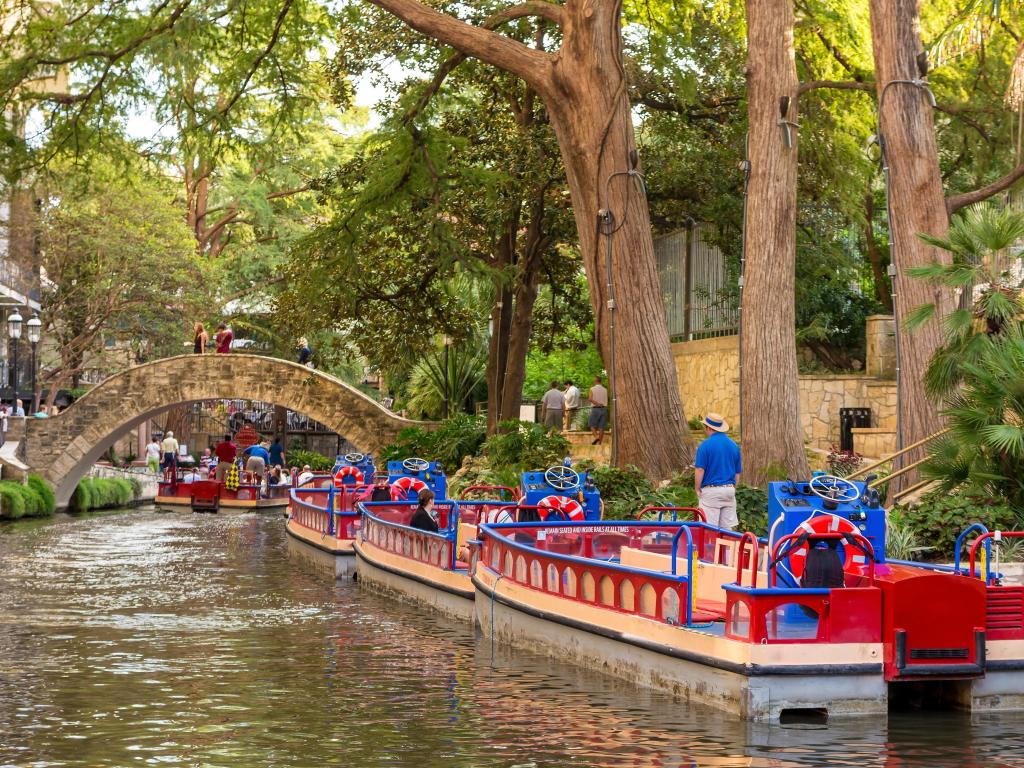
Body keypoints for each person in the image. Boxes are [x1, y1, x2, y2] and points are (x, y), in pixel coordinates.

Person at [693, 413, 742, 530]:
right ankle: (727, 549)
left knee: (709, 529)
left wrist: (697, 488)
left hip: (712, 491)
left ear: (709, 428)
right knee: (726, 530)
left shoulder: (705, 445)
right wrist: (733, 487)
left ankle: (711, 549)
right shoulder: (734, 445)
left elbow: (700, 469)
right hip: (729, 490)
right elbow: (737, 473)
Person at [588, 375, 609, 445]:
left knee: (591, 425)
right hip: (604, 409)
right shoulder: (605, 390)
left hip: (595, 409)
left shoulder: (592, 389)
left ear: (595, 381)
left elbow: (590, 399)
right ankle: (599, 443)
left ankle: (596, 437)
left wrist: (597, 403)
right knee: (601, 427)